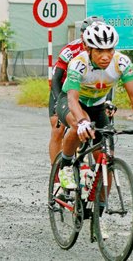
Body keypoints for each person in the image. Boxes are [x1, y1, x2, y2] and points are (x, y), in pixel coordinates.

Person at [56, 22, 133, 189]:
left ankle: (97, 206)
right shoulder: (78, 64)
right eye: (99, 50)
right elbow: (72, 99)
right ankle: (66, 165)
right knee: (80, 123)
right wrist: (82, 122)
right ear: (87, 48)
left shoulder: (122, 63)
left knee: (106, 158)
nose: (105, 56)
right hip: (72, 103)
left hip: (98, 106)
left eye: (110, 50)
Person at [48, 16, 103, 164]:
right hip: (64, 90)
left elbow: (104, 80)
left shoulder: (104, 52)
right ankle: (58, 173)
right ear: (82, 36)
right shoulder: (70, 50)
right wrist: (57, 101)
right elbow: (56, 79)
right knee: (57, 129)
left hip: (87, 91)